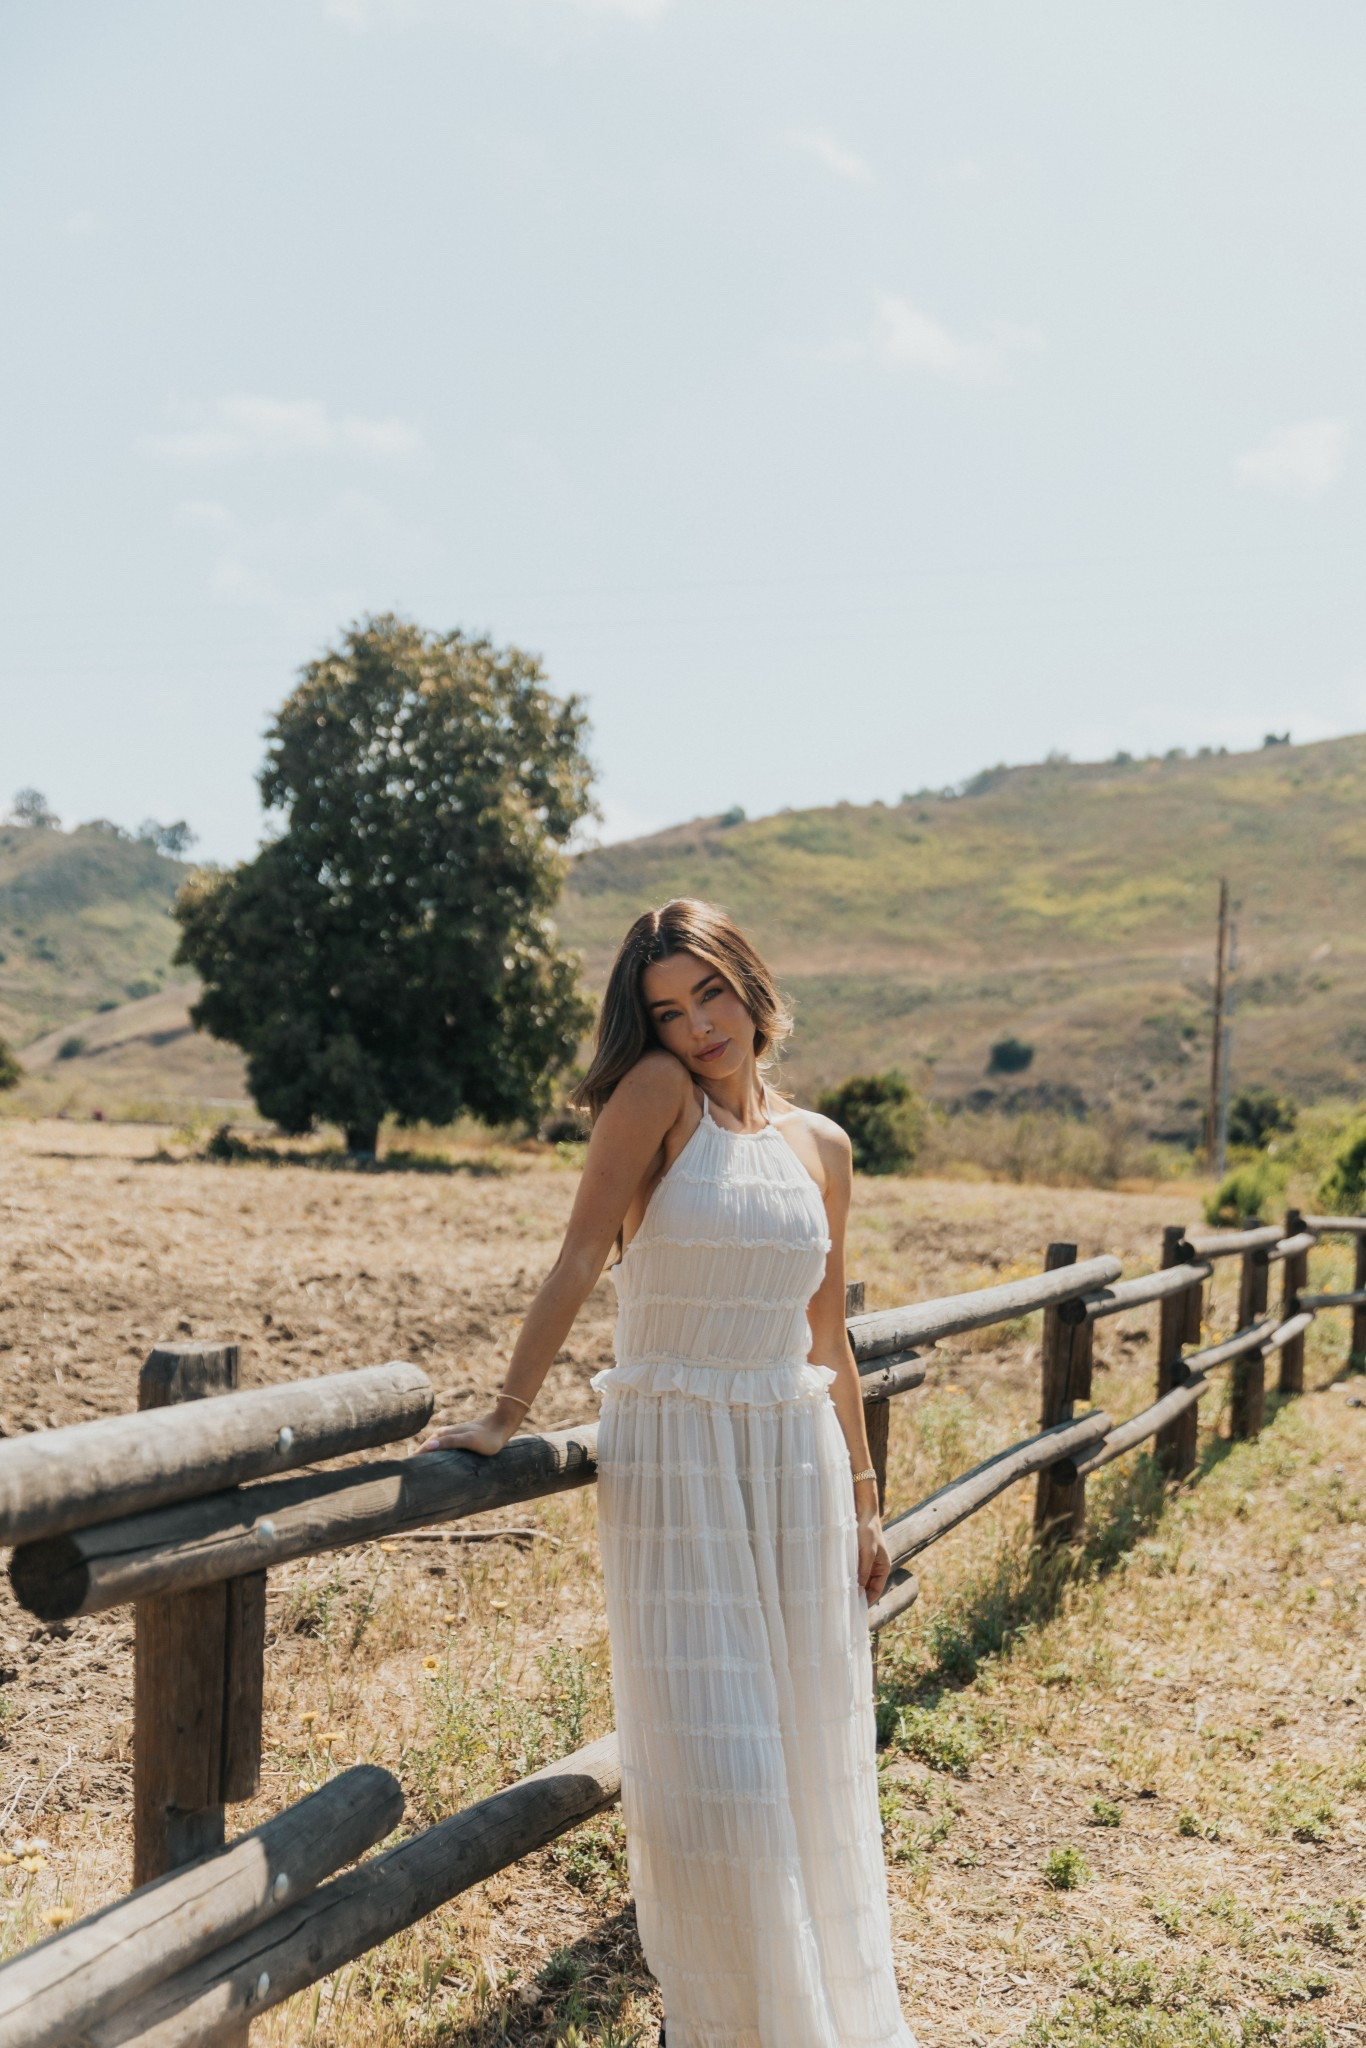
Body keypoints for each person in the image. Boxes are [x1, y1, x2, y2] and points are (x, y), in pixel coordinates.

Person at [418, 898, 917, 2048]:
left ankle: (821, 2018)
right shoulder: (656, 1100)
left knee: (802, 1751)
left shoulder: (822, 1144)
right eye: (666, 1010)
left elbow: (825, 1333)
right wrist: (503, 1412)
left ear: (750, 980)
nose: (696, 1026)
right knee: (718, 1771)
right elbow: (582, 1254)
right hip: (676, 1450)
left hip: (792, 1457)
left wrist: (864, 1501)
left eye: (710, 994)